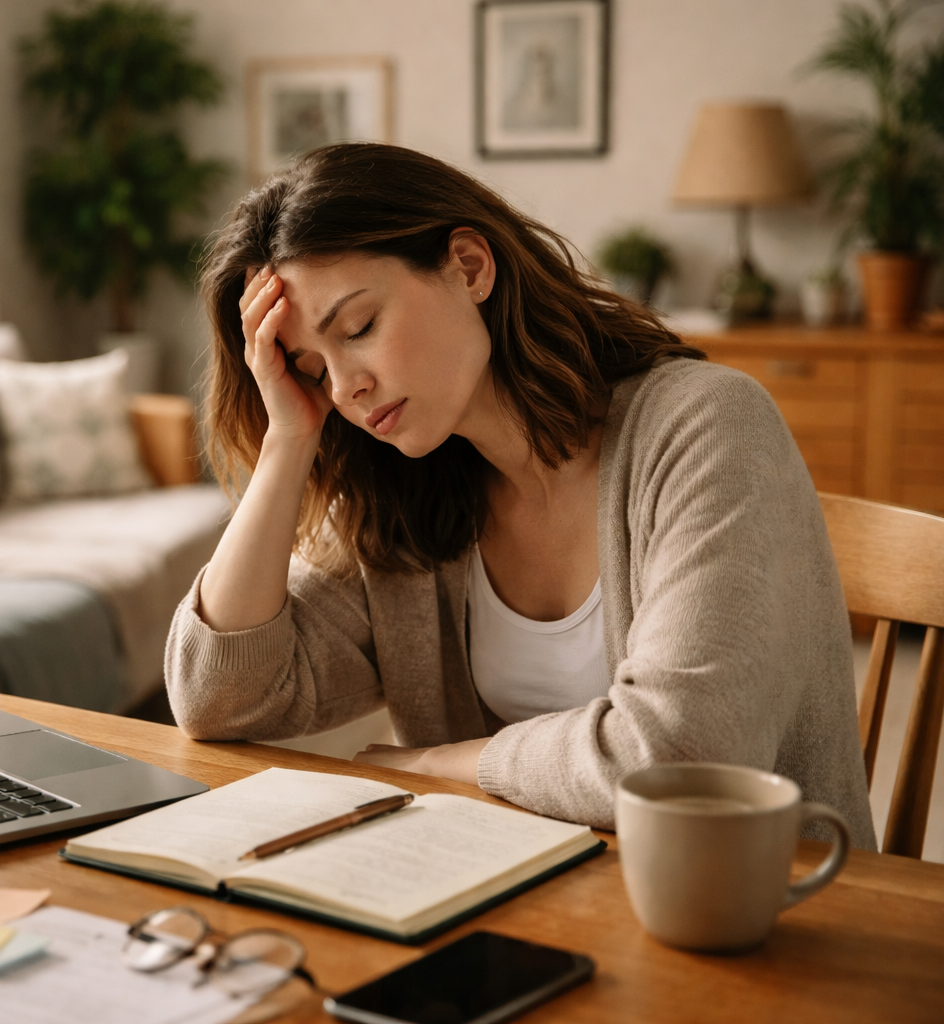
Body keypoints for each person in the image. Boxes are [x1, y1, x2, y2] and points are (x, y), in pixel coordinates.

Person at [166, 143, 876, 847]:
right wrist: (288, 444)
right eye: (312, 368)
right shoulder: (403, 493)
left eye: (359, 328)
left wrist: (445, 762)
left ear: (469, 267)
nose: (345, 386)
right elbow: (219, 698)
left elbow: (683, 759)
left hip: (747, 914)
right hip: (507, 904)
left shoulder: (706, 425)